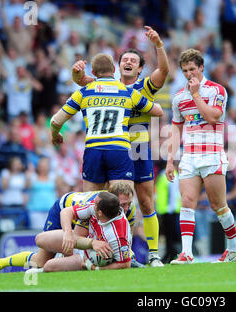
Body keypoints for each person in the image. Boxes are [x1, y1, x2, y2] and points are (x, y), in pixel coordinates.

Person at [72, 26, 169, 267]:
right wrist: (76, 73)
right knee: (113, 202)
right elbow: (81, 82)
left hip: (139, 148)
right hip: (115, 150)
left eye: (132, 60)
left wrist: (158, 45)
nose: (127, 62)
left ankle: (154, 254)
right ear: (118, 65)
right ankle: (118, 252)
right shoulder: (107, 85)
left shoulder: (145, 87)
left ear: (139, 68)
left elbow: (164, 71)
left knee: (146, 201)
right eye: (124, 59)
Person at [166, 48, 236, 264]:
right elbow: (175, 130)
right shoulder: (179, 97)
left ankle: (234, 249)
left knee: (218, 205)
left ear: (201, 67)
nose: (189, 74)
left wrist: (196, 94)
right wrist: (170, 160)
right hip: (189, 156)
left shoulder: (217, 91)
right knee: (187, 201)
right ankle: (187, 253)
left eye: (192, 69)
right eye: (185, 71)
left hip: (212, 154)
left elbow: (213, 118)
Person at [50, 53, 163, 193]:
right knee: (122, 202)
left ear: (93, 72)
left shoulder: (83, 93)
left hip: (94, 150)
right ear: (114, 70)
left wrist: (55, 135)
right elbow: (158, 111)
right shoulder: (128, 92)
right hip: (119, 150)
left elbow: (55, 121)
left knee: (91, 203)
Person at [0, 184, 135, 275]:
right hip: (62, 210)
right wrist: (69, 236)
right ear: (111, 199)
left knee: (44, 263)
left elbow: (123, 241)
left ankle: (59, 264)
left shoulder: (121, 211)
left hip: (80, 226)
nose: (126, 208)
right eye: (123, 204)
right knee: (43, 252)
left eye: (128, 203)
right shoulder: (94, 205)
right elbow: (70, 220)